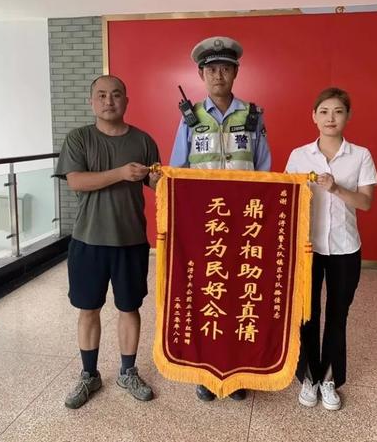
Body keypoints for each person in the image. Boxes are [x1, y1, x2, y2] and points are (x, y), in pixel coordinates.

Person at [169, 36, 272, 402]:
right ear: (201, 74)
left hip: (244, 224)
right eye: (211, 69)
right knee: (205, 295)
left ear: (235, 72)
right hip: (205, 223)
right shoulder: (190, 118)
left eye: (225, 68)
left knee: (239, 295)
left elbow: (264, 171)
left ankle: (238, 370)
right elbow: (177, 170)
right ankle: (205, 372)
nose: (218, 75)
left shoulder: (253, 115)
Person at [55, 75, 161, 409]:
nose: (109, 101)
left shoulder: (143, 140)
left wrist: (160, 180)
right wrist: (121, 173)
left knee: (129, 308)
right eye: (101, 95)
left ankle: (128, 372)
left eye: (116, 94)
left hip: (131, 240)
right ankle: (89, 374)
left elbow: (156, 184)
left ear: (126, 100)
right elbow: (76, 181)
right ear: (92, 102)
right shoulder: (79, 138)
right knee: (89, 309)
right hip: (88, 240)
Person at [285, 87, 377, 410]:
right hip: (306, 249)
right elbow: (286, 198)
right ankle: (308, 376)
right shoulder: (299, 156)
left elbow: (366, 202)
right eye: (324, 111)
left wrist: (336, 188)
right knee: (307, 314)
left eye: (338, 111)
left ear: (348, 116)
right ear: (313, 116)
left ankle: (329, 378)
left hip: (345, 248)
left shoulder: (360, 155)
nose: (330, 118)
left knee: (338, 315)